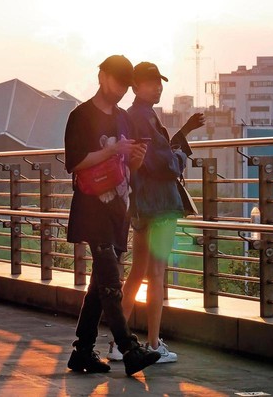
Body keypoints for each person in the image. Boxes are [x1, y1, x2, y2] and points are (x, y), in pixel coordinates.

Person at [64, 55, 161, 376]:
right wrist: (112, 150)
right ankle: (128, 347)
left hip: (120, 206)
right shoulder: (80, 115)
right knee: (109, 282)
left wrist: (135, 157)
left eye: (125, 84)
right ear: (103, 77)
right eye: (117, 82)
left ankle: (82, 351)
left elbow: (127, 167)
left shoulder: (123, 119)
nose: (120, 89)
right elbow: (75, 162)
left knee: (101, 282)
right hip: (92, 207)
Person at [106, 61, 205, 363]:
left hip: (142, 203)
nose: (157, 87)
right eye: (150, 82)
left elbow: (156, 155)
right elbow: (163, 162)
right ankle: (152, 343)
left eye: (159, 82)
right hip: (160, 203)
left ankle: (119, 344)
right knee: (157, 274)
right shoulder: (142, 117)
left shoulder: (135, 116)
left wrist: (184, 131)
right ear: (135, 87)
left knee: (137, 273)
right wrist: (178, 156)